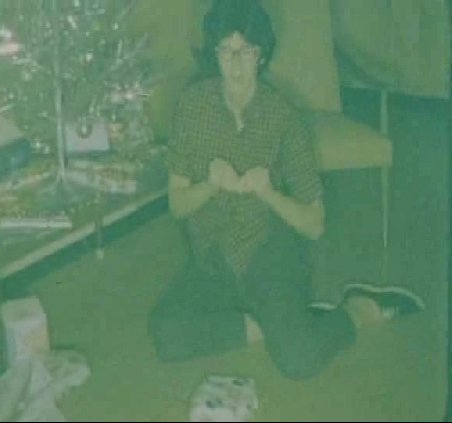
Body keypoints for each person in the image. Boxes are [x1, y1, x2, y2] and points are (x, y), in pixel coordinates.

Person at [148, 0, 423, 380]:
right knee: (167, 335)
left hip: (270, 255)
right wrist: (210, 184)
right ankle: (274, 325)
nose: (236, 65)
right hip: (213, 259)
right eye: (226, 51)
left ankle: (357, 309)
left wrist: (269, 193)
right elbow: (178, 205)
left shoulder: (283, 117)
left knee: (298, 361)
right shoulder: (193, 107)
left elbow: (314, 224)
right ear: (214, 54)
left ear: (262, 54)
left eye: (247, 51)